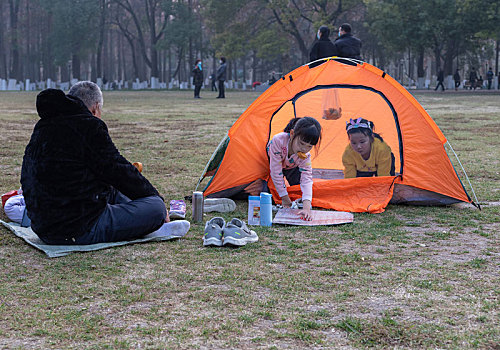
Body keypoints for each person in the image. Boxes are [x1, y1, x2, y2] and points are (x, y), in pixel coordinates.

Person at [20, 81, 189, 245]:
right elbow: (119, 170)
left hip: (43, 226)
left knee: (112, 188)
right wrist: (155, 197)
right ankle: (151, 226)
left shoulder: (44, 125)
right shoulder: (89, 126)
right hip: (77, 228)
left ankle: (141, 221)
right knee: (156, 208)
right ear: (96, 108)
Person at [267, 117, 322, 221]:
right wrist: (284, 198)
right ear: (292, 134)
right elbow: (275, 172)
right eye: (301, 144)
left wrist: (306, 208)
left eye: (309, 146)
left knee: (297, 191)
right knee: (267, 193)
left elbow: (307, 179)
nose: (304, 149)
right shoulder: (278, 141)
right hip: (271, 162)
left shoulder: (305, 156)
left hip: (290, 167)